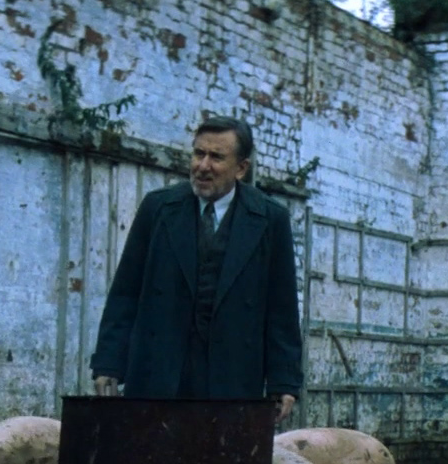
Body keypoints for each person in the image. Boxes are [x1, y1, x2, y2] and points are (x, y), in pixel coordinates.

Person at [89, 116, 303, 419]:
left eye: (216, 157)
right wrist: (109, 362)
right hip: (158, 375)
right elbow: (125, 292)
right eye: (198, 153)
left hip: (233, 380)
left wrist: (284, 380)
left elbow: (282, 308)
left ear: (241, 168)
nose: (202, 166)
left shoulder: (269, 219)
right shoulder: (158, 208)